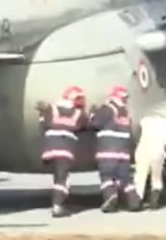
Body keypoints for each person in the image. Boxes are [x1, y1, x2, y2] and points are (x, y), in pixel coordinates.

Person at [36, 86, 88, 217]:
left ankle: (58, 202)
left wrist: (42, 114)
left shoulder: (52, 109)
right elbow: (87, 126)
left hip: (49, 151)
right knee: (63, 179)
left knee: (58, 177)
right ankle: (58, 206)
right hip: (65, 151)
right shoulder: (78, 114)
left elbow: (43, 125)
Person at [90, 85, 140, 213]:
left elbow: (95, 124)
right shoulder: (126, 113)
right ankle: (134, 201)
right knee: (125, 178)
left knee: (107, 176)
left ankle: (110, 196)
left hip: (108, 151)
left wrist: (92, 114)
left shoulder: (107, 109)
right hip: (123, 153)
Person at [132, 113, 166, 210]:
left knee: (140, 174)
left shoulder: (146, 119)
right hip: (158, 150)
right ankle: (154, 201)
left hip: (143, 148)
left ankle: (137, 200)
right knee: (156, 176)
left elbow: (136, 133)